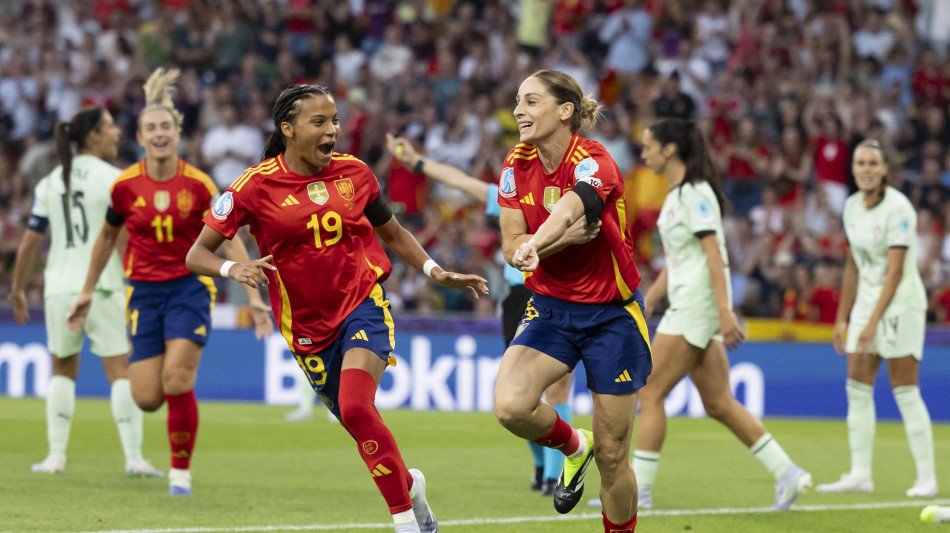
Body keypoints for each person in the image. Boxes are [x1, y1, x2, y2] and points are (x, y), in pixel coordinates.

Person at [186, 84, 488, 533]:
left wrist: (434, 270)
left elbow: (393, 233)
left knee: (356, 407)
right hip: (307, 329)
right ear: (288, 129)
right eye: (320, 122)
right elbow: (197, 255)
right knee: (359, 425)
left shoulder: (356, 173)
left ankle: (405, 523)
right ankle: (412, 492)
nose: (332, 131)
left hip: (362, 304)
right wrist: (234, 268)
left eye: (335, 121)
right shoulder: (254, 185)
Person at [67, 68, 273, 497]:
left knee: (177, 380)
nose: (159, 133)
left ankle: (180, 472)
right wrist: (87, 290)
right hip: (142, 291)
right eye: (151, 128)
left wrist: (253, 296)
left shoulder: (198, 184)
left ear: (177, 133)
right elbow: (106, 237)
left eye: (166, 126)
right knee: (146, 397)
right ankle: (170, 432)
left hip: (188, 288)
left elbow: (228, 238)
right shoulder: (125, 186)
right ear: (140, 137)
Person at [493, 69, 649, 532]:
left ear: (565, 111)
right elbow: (510, 244)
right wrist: (535, 249)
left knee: (615, 456)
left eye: (531, 101)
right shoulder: (514, 163)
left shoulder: (595, 161)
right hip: (550, 308)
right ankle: (575, 447)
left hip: (612, 315)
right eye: (518, 101)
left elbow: (568, 210)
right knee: (510, 407)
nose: (519, 111)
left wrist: (538, 245)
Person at [384, 132, 581, 496]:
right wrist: (417, 163)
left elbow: (463, 182)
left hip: (541, 295)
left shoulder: (567, 192)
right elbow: (462, 181)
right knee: (533, 391)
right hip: (530, 295)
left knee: (544, 390)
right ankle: (548, 470)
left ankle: (548, 473)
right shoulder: (518, 193)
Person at [630, 118, 812, 511]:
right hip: (692, 304)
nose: (643, 153)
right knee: (718, 402)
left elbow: (714, 253)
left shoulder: (696, 193)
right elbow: (680, 260)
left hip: (696, 306)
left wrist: (726, 311)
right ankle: (788, 472)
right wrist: (648, 299)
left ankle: (637, 492)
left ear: (670, 150)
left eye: (649, 146)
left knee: (650, 391)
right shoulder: (677, 196)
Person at [9, 106, 162, 478]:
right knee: (120, 370)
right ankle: (134, 458)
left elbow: (30, 241)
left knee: (62, 369)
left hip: (59, 287)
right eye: (109, 127)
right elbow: (123, 237)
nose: (116, 132)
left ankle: (55, 457)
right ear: (93, 135)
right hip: (103, 287)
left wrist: (17, 289)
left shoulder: (51, 181)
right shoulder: (116, 179)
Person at [816, 139, 937, 497]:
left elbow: (895, 272)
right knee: (856, 389)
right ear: (853, 169)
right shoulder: (851, 206)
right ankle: (860, 474)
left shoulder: (899, 209)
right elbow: (853, 265)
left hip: (901, 306)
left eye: (873, 163)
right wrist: (843, 319)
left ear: (885, 169)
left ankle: (927, 478)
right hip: (866, 307)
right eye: (860, 163)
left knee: (905, 391)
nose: (866, 169)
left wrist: (871, 322)